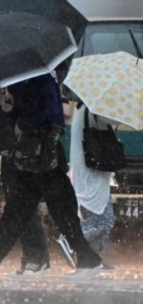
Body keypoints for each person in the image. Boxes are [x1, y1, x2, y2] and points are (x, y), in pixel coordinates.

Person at [0, 73, 104, 281]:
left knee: (33, 212)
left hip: (42, 157)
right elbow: (19, 118)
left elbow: (51, 114)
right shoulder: (26, 80)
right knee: (29, 211)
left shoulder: (43, 80)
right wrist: (7, 106)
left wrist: (23, 121)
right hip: (34, 161)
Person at [0, 88, 52, 276]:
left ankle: (37, 259)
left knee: (24, 209)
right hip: (11, 158)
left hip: (22, 158)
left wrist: (11, 106)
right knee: (21, 208)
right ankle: (33, 258)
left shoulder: (27, 91)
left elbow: (29, 123)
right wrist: (2, 102)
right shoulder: (9, 97)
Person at [67, 103, 115, 257]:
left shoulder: (84, 112)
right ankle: (70, 241)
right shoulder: (93, 112)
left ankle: (92, 259)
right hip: (92, 175)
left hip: (92, 174)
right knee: (104, 221)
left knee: (98, 219)